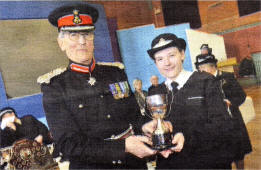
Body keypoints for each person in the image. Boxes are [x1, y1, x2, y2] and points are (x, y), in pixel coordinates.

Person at [37, 3, 174, 169]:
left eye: (87, 34)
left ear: (93, 39)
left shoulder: (115, 72)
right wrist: (123, 147)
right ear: (61, 43)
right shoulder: (55, 86)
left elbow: (134, 116)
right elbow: (68, 145)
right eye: (73, 35)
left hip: (133, 164)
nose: (82, 42)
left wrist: (146, 125)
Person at [143, 33, 236, 169]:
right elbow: (149, 123)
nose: (167, 63)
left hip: (207, 162)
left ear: (182, 54)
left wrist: (186, 136)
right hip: (172, 164)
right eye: (160, 59)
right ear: (156, 63)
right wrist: (146, 129)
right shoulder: (155, 93)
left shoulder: (205, 81)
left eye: (172, 55)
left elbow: (223, 125)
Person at [195, 53, 252, 169]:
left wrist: (230, 102)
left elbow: (241, 95)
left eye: (202, 68)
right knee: (222, 155)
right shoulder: (201, 82)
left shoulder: (228, 77)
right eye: (199, 68)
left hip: (233, 122)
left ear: (211, 67)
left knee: (239, 153)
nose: (200, 71)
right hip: (215, 125)